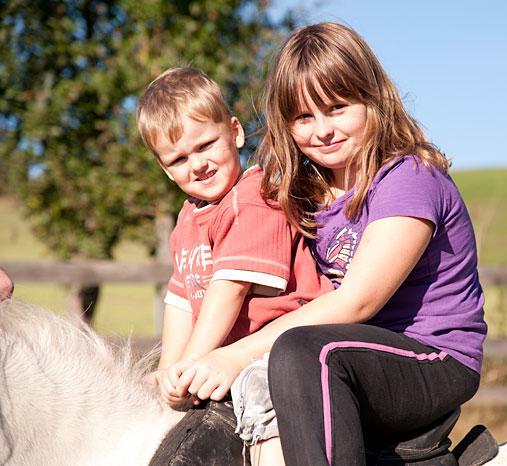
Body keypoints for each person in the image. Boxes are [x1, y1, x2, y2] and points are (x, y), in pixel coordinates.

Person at [174, 22, 487, 466]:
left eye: (337, 108)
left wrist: (232, 356)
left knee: (303, 353)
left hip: (431, 356)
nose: (321, 130)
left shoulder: (408, 179)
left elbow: (356, 303)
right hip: (351, 351)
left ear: (372, 100)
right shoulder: (304, 193)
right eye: (303, 117)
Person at [136, 67, 333, 464]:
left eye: (206, 145)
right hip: (228, 359)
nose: (198, 165)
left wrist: (190, 365)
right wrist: (169, 371)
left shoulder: (254, 198)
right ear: (164, 168)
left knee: (264, 400)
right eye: (178, 159)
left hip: (280, 348)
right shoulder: (189, 217)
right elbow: (181, 299)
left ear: (236, 132)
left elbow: (229, 290)